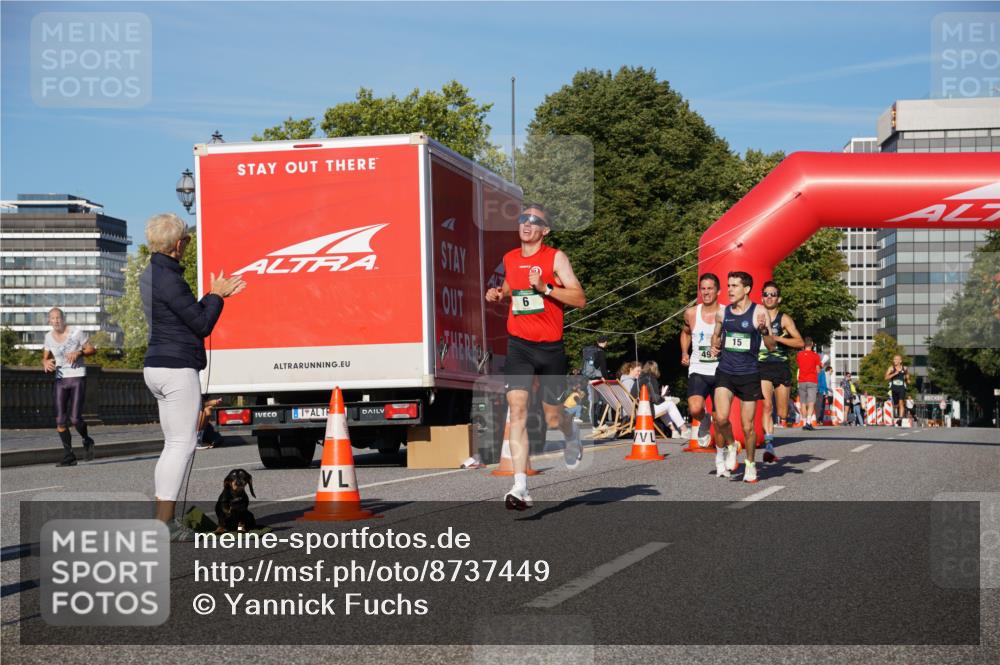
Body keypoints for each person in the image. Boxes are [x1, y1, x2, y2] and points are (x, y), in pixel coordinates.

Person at [141, 213, 246, 540]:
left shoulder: (151, 273)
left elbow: (185, 315)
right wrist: (216, 295)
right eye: (186, 239)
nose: (187, 243)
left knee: (171, 445)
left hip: (156, 365)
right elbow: (201, 325)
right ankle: (165, 524)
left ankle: (162, 518)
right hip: (176, 368)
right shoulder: (170, 279)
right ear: (178, 244)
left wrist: (211, 297)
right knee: (182, 445)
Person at [485, 203, 586, 510]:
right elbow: (510, 290)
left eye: (534, 221)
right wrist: (498, 295)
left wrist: (547, 287)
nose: (526, 224)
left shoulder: (555, 257)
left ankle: (570, 431)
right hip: (519, 346)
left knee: (553, 417)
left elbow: (580, 298)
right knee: (516, 410)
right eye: (522, 219)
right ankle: (520, 487)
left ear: (545, 230)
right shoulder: (510, 258)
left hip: (550, 348)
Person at [710, 271, 776, 483]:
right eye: (728, 285)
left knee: (748, 427)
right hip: (726, 372)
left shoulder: (759, 312)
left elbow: (771, 345)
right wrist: (714, 344)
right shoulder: (723, 313)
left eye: (735, 286)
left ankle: (749, 463)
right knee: (720, 418)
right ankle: (731, 445)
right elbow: (716, 334)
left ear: (746, 289)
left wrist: (765, 331)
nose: (729, 290)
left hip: (749, 375)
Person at [42, 307, 97, 466]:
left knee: (74, 418)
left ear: (63, 318)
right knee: (60, 420)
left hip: (77, 376)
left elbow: (92, 349)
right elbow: (45, 357)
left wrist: (79, 352)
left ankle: (87, 439)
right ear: (49, 321)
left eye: (58, 317)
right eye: (53, 318)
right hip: (60, 378)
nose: (56, 321)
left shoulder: (76, 333)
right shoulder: (48, 337)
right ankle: (69, 455)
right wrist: (45, 362)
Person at [755, 281, 803, 461]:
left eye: (773, 294)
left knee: (782, 414)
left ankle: (786, 411)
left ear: (779, 298)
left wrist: (777, 338)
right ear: (761, 297)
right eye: (766, 294)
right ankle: (769, 445)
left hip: (781, 366)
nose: (769, 297)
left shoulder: (784, 319)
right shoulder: (755, 316)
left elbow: (799, 342)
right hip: (761, 366)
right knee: (767, 406)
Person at [680, 273, 723, 448]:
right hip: (698, 368)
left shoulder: (726, 313)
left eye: (710, 289)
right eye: (703, 289)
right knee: (695, 408)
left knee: (720, 416)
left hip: (721, 369)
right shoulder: (691, 313)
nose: (706, 292)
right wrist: (685, 352)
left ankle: (724, 451)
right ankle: (704, 420)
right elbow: (685, 332)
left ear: (718, 291)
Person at [638, 361, 688, 439]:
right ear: (655, 369)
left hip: (638, 409)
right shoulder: (651, 379)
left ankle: (674, 431)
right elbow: (656, 399)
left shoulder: (639, 379)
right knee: (670, 404)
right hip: (646, 411)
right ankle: (684, 430)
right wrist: (664, 397)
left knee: (665, 407)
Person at [581, 335, 610, 425]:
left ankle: (594, 421)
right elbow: (603, 367)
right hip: (598, 380)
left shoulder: (590, 351)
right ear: (605, 342)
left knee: (593, 400)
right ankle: (597, 422)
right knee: (601, 401)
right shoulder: (600, 352)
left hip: (590, 379)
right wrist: (606, 378)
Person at [795, 338, 822, 430]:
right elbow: (818, 370)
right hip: (812, 381)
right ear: (812, 344)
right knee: (811, 402)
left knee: (803, 402)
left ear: (804, 344)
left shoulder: (799, 355)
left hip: (802, 381)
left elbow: (799, 365)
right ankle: (808, 422)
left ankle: (803, 422)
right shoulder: (815, 356)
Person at [885, 355, 908, 424]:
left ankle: (900, 419)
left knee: (901, 402)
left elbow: (907, 374)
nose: (894, 360)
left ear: (900, 361)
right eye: (894, 359)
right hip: (894, 388)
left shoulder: (905, 368)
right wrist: (894, 374)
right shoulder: (891, 368)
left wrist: (907, 379)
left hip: (902, 388)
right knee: (896, 405)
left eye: (896, 359)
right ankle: (896, 412)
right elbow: (886, 377)